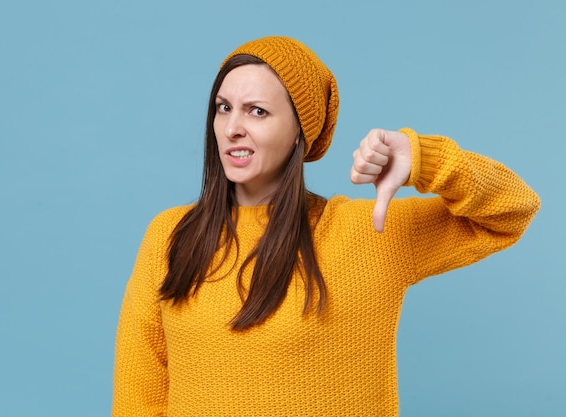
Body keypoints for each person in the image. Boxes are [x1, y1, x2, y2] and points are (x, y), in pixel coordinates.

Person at [111, 36, 540, 417]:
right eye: (223, 108)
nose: (232, 128)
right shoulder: (169, 236)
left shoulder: (368, 232)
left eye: (257, 111)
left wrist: (423, 158)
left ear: (301, 130)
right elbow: (139, 397)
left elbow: (514, 209)